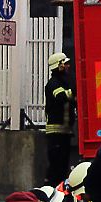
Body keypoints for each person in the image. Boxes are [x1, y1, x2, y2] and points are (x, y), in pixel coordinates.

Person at [43, 51, 75, 185]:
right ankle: (51, 189)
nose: (68, 66)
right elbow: (62, 97)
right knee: (56, 166)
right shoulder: (53, 83)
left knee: (62, 166)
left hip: (64, 132)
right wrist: (75, 91)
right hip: (56, 133)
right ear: (59, 65)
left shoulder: (63, 82)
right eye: (65, 64)